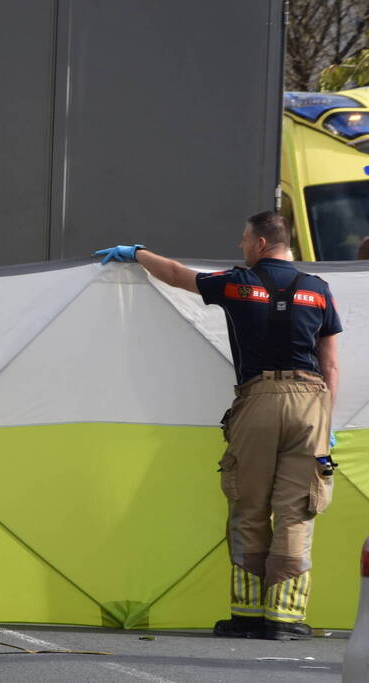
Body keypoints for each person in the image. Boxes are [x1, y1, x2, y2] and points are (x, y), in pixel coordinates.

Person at [96, 211, 341, 641]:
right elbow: (331, 363)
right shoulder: (319, 291)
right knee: (298, 510)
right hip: (311, 406)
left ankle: (246, 615)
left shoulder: (236, 283)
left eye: (245, 240)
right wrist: (327, 421)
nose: (241, 246)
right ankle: (284, 619)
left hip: (256, 403)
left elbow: (175, 275)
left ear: (261, 243)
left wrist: (136, 253)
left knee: (248, 507)